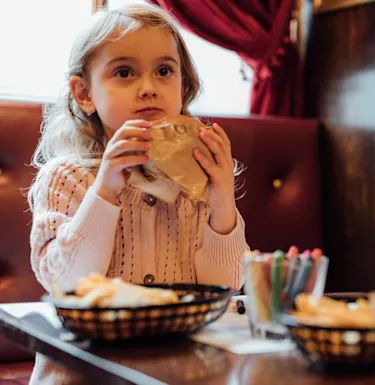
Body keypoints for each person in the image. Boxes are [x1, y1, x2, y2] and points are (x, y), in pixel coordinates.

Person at [26, 3, 249, 383]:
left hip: (174, 370)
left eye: (164, 71)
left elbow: (225, 287)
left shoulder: (193, 181)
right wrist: (106, 190)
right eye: (124, 72)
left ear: (184, 87)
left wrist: (221, 201)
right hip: (83, 374)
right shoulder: (67, 177)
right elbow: (66, 285)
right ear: (84, 94)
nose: (148, 89)